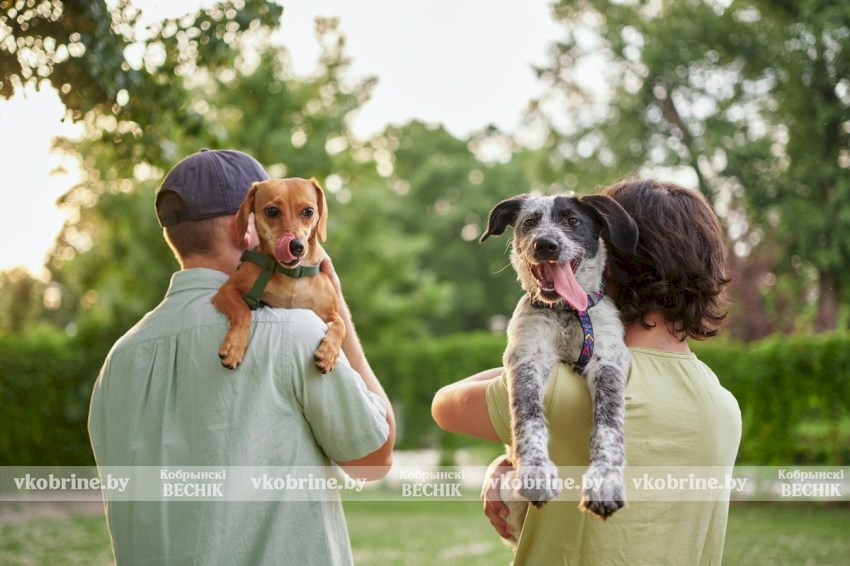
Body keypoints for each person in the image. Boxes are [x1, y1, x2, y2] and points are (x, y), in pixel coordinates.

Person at [88, 148, 395, 565]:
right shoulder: (296, 334)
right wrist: (337, 308)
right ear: (245, 228)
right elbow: (374, 460)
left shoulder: (118, 360)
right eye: (274, 213)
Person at [432, 178, 741, 565]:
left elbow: (445, 405)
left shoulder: (560, 392)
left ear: (611, 259)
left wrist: (513, 451)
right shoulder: (724, 406)